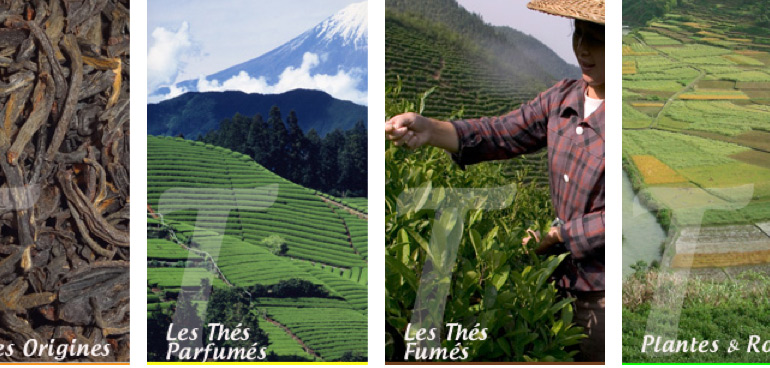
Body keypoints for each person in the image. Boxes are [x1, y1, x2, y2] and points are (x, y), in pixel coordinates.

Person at [385, 0, 605, 362]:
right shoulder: (563, 98)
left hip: (600, 293)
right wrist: (430, 130)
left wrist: (559, 235)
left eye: (596, 38)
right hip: (557, 282)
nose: (583, 48)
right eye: (579, 34)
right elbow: (501, 132)